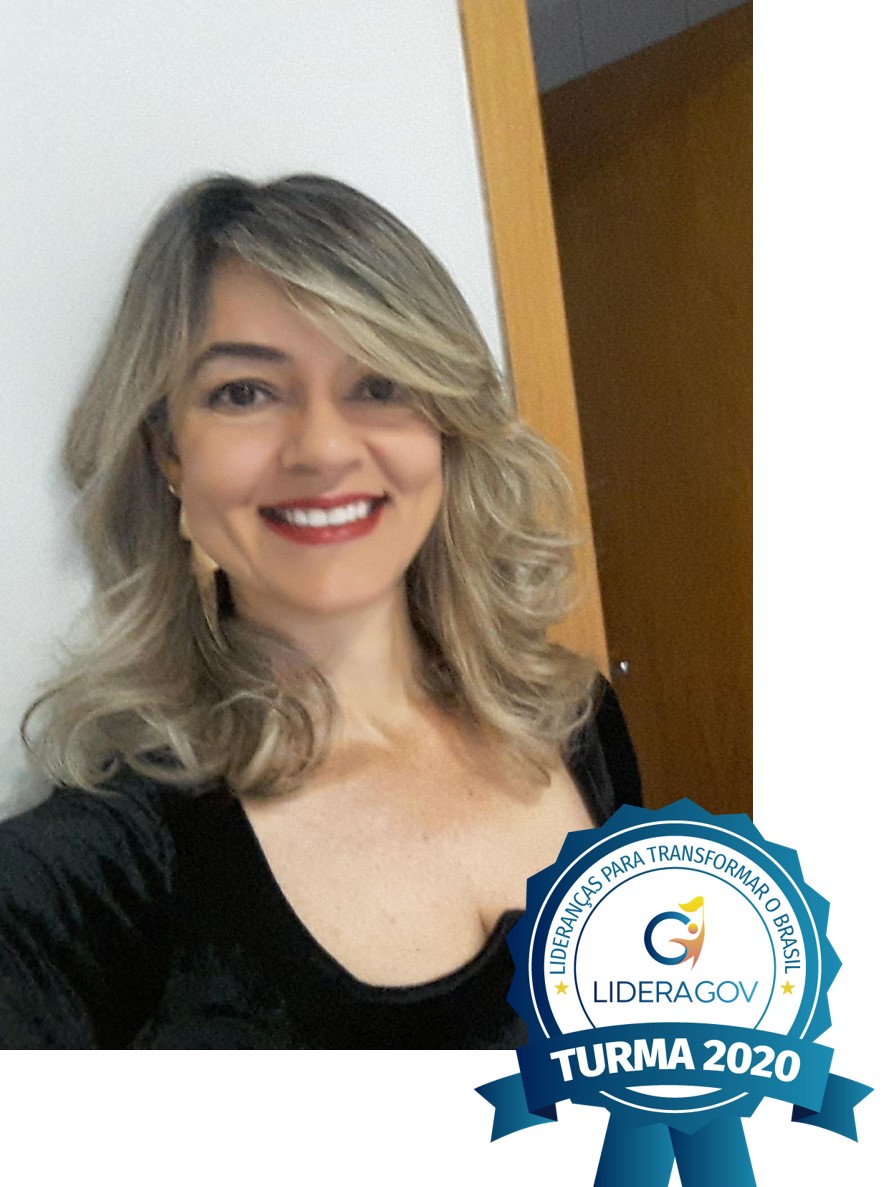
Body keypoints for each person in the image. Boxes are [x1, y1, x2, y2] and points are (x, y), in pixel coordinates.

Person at [0, 174, 640, 1049]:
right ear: (168, 452)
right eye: (244, 393)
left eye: (379, 384)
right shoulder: (100, 872)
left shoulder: (573, 718)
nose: (325, 449)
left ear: (445, 426)